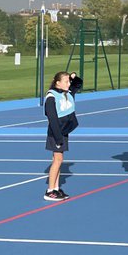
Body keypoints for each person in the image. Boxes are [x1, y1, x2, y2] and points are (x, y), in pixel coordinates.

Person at [42, 71, 79, 201]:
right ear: (57, 83)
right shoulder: (51, 97)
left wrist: (73, 77)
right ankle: (50, 191)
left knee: (59, 160)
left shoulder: (66, 93)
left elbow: (78, 84)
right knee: (57, 161)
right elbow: (52, 119)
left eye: (69, 82)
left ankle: (56, 188)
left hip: (63, 132)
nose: (69, 84)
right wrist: (58, 138)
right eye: (66, 81)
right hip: (56, 133)